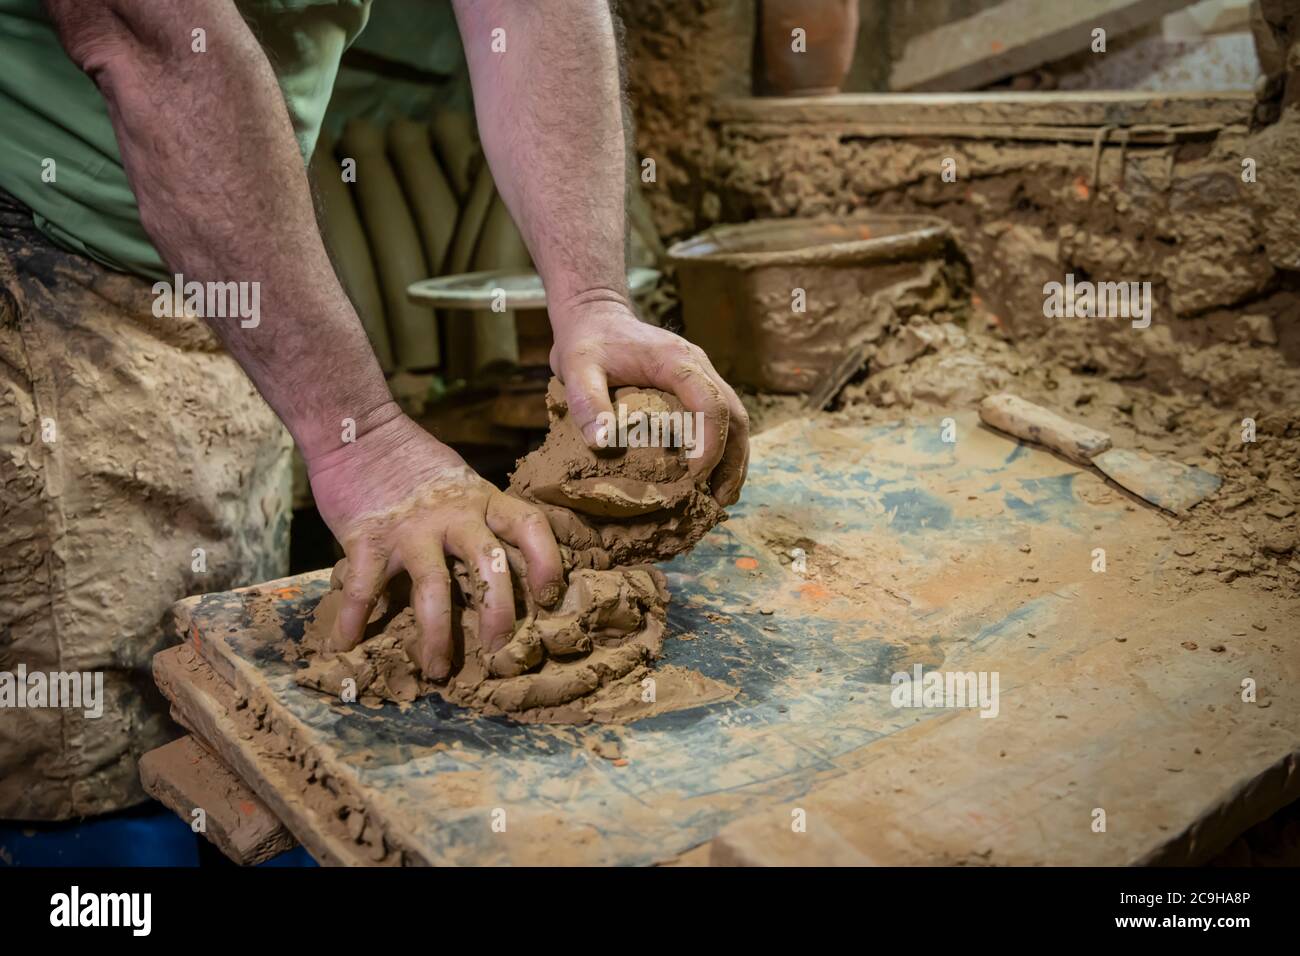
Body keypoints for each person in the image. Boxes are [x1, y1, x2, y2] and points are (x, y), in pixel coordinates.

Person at [0, 0, 748, 820]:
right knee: (96, 747)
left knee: (217, 717)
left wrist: (593, 298)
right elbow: (155, 43)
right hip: (45, 266)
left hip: (219, 250)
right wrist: (362, 439)